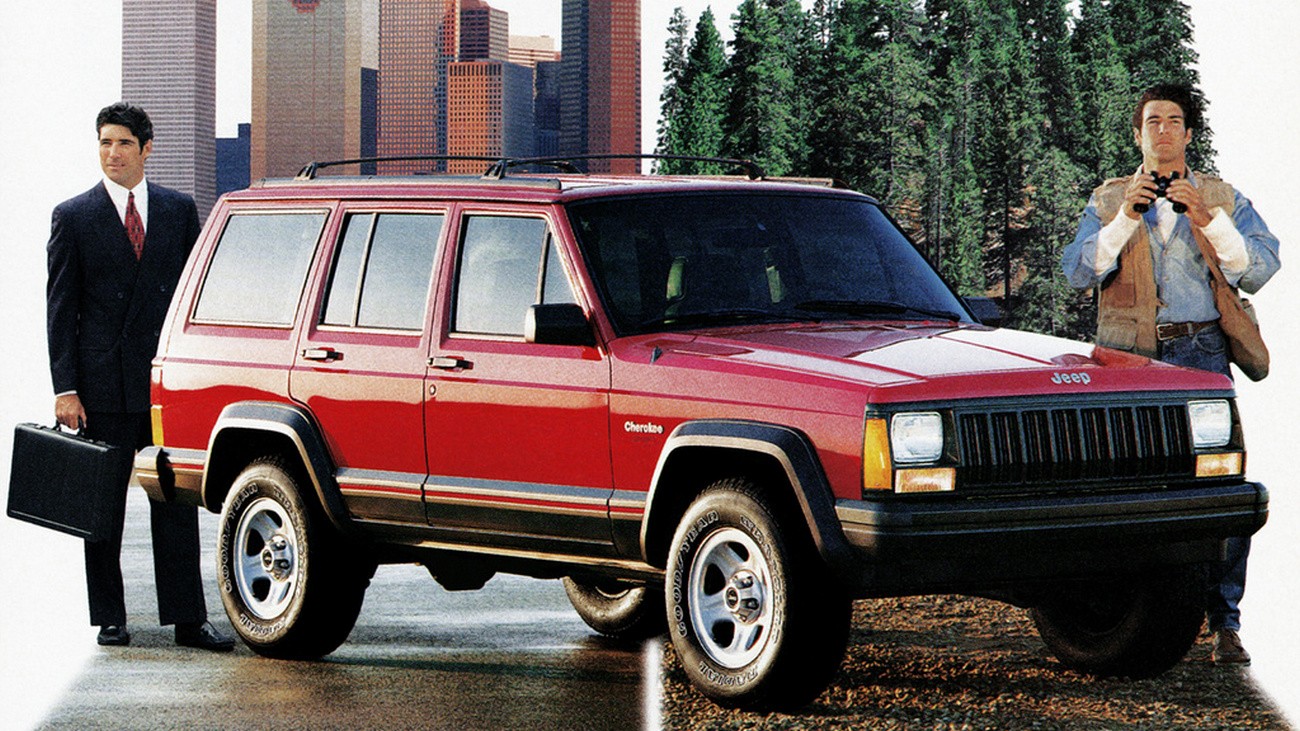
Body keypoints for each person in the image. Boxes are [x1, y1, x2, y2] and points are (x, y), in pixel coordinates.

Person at [1062, 84, 1280, 665]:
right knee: (1124, 483)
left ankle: (1224, 623)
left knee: (1219, 487)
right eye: (1152, 121)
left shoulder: (1221, 196)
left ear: (1187, 134)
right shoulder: (1109, 198)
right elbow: (1078, 271)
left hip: (1201, 353)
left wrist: (1207, 218)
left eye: (1174, 120)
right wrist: (1124, 219)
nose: (1163, 130)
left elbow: (1260, 267)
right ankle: (1120, 620)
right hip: (1128, 360)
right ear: (1138, 134)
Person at [46, 102, 233, 652]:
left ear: (147, 149)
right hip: (100, 387)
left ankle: (188, 620)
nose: (113, 153)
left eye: (124, 143)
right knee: (101, 509)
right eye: (105, 142)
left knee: (174, 505)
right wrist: (65, 389)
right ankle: (110, 617)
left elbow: (197, 297)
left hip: (163, 386)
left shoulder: (179, 210)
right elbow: (60, 309)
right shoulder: (72, 216)